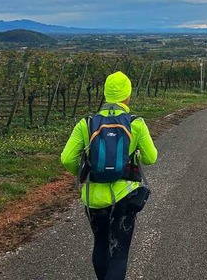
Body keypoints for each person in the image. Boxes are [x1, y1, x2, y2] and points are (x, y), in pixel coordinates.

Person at [61, 71, 158, 280]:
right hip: (124, 197)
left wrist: (83, 174)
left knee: (101, 244)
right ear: (127, 96)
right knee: (119, 253)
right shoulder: (136, 124)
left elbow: (67, 158)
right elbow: (151, 158)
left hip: (94, 198)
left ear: (105, 94)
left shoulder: (86, 124)